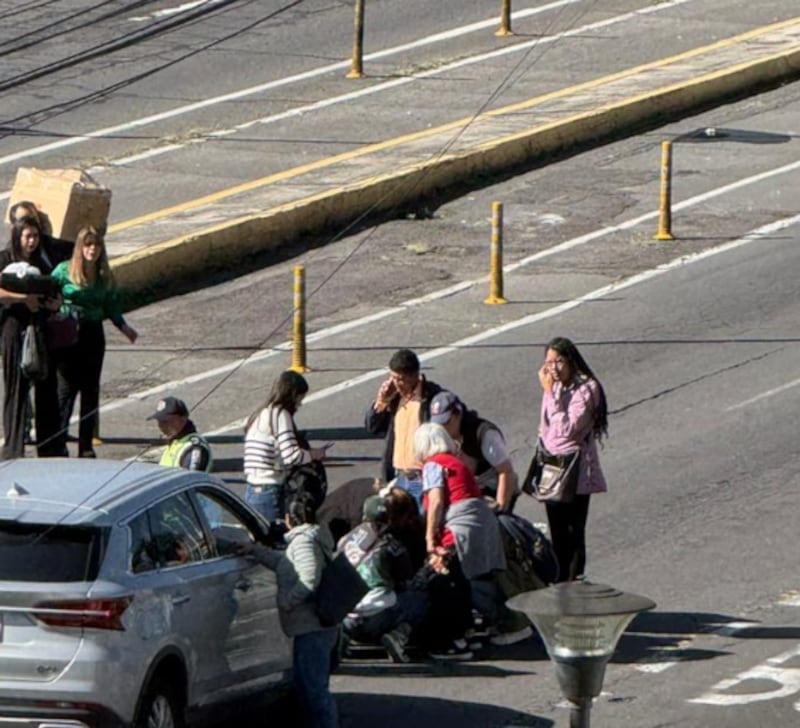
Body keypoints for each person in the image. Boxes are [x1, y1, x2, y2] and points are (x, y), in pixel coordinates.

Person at [414, 422, 514, 656]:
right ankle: (470, 631)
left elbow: (436, 501)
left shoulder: (433, 465)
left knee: (447, 583)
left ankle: (453, 638)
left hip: (459, 528)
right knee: (471, 580)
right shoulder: (457, 463)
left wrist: (429, 537)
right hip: (482, 525)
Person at [243, 491, 339, 728]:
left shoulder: (303, 542)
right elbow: (283, 562)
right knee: (310, 689)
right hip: (315, 627)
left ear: (288, 518)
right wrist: (255, 550)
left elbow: (309, 578)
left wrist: (288, 601)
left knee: (314, 693)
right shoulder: (308, 539)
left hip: (311, 628)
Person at [52, 226, 138, 458]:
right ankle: (58, 443)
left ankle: (86, 446)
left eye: (97, 245)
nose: (93, 250)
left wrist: (123, 327)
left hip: (92, 333)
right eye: (88, 245)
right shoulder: (63, 271)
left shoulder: (103, 276)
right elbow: (48, 292)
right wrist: (56, 307)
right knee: (66, 390)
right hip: (69, 332)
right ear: (80, 248)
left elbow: (110, 304)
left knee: (90, 390)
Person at [537, 336, 608, 582]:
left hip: (576, 469)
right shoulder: (554, 387)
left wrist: (550, 393)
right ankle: (559, 582)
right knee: (557, 531)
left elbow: (566, 429)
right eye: (549, 363)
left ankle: (574, 579)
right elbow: (546, 427)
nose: (554, 368)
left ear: (570, 360)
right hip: (553, 467)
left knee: (573, 530)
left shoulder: (587, 388)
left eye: (559, 361)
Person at [0, 216, 63, 458]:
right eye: (28, 236)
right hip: (14, 329)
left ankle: (50, 447)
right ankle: (13, 448)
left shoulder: (42, 261)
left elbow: (54, 289)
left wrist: (54, 303)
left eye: (35, 236)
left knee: (47, 387)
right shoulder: (5, 259)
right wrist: (23, 299)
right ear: (18, 237)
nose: (32, 241)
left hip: (39, 327)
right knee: (16, 389)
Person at [339, 491, 424, 663]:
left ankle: (343, 637)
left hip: (344, 617)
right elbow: (406, 580)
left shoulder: (345, 540)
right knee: (419, 597)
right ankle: (398, 636)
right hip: (375, 619)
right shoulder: (392, 547)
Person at [243, 370, 327, 523]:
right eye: (300, 399)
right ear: (292, 395)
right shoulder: (280, 415)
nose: (299, 404)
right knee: (276, 535)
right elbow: (291, 456)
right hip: (270, 489)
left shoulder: (258, 414)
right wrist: (314, 454)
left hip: (252, 489)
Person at [364, 348, 444, 506]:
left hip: (422, 477)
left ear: (414, 375)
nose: (395, 383)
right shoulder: (394, 398)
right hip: (398, 477)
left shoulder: (433, 398)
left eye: (400, 379)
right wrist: (382, 402)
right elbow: (372, 427)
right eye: (392, 377)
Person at [428, 390, 519, 513]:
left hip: (494, 488)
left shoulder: (484, 433)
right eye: (438, 425)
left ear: (458, 414)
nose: (442, 429)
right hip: (471, 490)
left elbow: (506, 472)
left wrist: (500, 508)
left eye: (446, 422)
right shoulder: (443, 436)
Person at [147, 395, 212, 471]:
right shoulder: (175, 441)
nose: (162, 426)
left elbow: (190, 477)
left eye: (166, 421)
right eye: (160, 422)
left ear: (183, 418)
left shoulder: (193, 448)